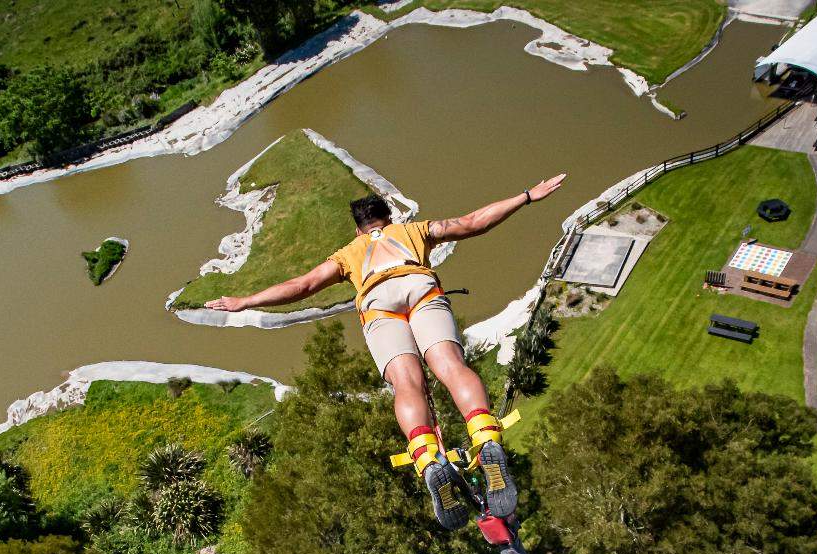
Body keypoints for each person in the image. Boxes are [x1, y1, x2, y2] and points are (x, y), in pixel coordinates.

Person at [204, 174, 566, 528]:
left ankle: (427, 458)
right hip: (420, 288)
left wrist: (246, 301)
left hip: (379, 306)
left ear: (359, 228)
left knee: (407, 383)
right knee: (450, 366)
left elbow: (304, 285)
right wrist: (527, 196)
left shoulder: (349, 253)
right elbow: (473, 223)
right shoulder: (413, 230)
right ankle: (485, 436)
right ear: (388, 218)